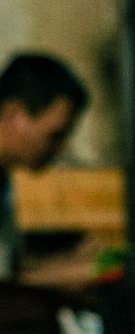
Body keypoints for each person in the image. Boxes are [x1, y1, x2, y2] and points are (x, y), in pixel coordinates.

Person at [0, 53, 89, 277]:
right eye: (55, 135)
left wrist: (72, 260)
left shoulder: (4, 179)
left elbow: (10, 266)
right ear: (13, 114)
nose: (61, 149)